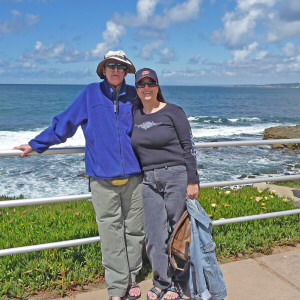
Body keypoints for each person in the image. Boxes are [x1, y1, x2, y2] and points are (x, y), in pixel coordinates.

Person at [14, 50, 144, 300]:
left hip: (135, 177)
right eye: (111, 66)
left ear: (127, 71)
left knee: (135, 232)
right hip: (102, 179)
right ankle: (117, 287)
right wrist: (35, 144)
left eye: (120, 66)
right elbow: (65, 123)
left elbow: (153, 121)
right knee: (111, 234)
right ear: (104, 70)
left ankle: (132, 278)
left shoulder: (133, 95)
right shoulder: (90, 94)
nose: (115, 70)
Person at [131, 68, 200, 300]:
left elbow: (188, 147)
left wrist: (193, 180)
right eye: (141, 84)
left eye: (151, 83)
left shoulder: (173, 112)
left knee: (177, 231)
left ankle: (180, 284)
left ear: (158, 87)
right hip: (149, 180)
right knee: (153, 235)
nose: (146, 88)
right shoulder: (134, 114)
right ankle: (161, 281)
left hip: (176, 176)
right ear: (137, 89)